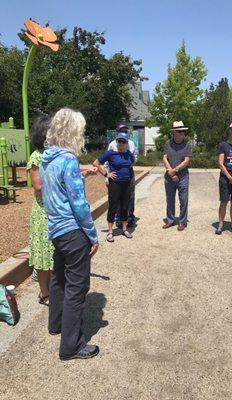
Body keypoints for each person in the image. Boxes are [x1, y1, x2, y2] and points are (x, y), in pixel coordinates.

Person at [40, 108, 99, 361]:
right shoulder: (68, 160)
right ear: (74, 132)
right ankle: (71, 346)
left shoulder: (46, 159)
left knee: (59, 279)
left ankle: (56, 324)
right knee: (77, 286)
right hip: (72, 231)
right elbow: (79, 204)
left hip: (55, 229)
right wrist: (93, 235)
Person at [26, 115, 53, 306]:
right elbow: (39, 188)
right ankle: (44, 293)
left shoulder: (55, 155)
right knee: (44, 256)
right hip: (44, 213)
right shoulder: (36, 156)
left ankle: (52, 289)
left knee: (53, 253)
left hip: (55, 211)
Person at [93, 132, 135, 242]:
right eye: (119, 141)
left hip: (126, 183)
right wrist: (107, 174)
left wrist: (126, 172)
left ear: (126, 143)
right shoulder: (110, 153)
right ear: (116, 142)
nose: (121, 143)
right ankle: (110, 232)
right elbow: (96, 163)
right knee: (113, 206)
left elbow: (132, 162)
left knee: (125, 206)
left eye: (123, 141)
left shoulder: (129, 154)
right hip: (115, 184)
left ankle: (124, 229)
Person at [105, 124, 137, 227]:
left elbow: (135, 158)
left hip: (128, 173)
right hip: (115, 175)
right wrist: (107, 175)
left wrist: (127, 167)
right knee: (116, 197)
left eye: (126, 130)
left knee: (130, 196)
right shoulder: (112, 144)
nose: (124, 132)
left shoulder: (131, 143)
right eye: (121, 130)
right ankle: (118, 218)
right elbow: (106, 162)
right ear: (117, 132)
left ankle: (130, 217)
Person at [162, 121, 192, 231]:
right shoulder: (167, 143)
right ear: (174, 132)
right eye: (179, 131)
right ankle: (170, 220)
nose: (182, 133)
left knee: (183, 200)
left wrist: (175, 170)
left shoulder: (187, 144)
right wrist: (170, 171)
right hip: (169, 176)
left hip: (183, 176)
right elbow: (165, 158)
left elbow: (187, 160)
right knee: (170, 199)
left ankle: (182, 221)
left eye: (183, 131)